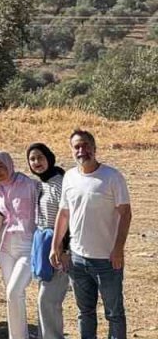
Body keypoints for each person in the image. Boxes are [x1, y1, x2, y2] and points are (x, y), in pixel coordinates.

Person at [52, 129, 130, 339]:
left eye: (85, 145)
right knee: (85, 313)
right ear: (71, 150)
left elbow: (125, 213)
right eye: (77, 146)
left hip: (108, 260)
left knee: (114, 314)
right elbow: (64, 213)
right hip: (78, 260)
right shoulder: (69, 177)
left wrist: (118, 249)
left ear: (94, 148)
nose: (81, 150)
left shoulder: (112, 177)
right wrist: (56, 245)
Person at [0, 150, 38, 339]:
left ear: (10, 165)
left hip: (27, 245)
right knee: (12, 297)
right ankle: (18, 335)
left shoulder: (28, 183)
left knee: (14, 291)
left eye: (1, 167)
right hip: (6, 247)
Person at [27, 143, 68, 339]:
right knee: (43, 297)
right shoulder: (41, 183)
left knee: (48, 299)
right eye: (32, 159)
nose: (36, 162)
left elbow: (68, 216)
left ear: (49, 158)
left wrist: (63, 248)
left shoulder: (60, 183)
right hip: (43, 244)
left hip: (58, 246)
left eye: (40, 157)